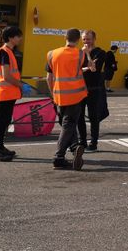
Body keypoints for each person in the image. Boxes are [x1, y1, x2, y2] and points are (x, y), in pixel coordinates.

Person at [46, 28, 89, 170]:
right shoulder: (80, 54)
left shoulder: (52, 54)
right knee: (68, 125)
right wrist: (87, 53)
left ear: (65, 37)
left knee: (66, 125)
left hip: (59, 95)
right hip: (75, 96)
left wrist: (53, 93)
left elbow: (49, 77)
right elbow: (92, 67)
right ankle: (58, 157)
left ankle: (75, 147)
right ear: (78, 40)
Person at [0, 27, 26, 162]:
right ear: (11, 38)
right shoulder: (4, 52)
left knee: (4, 121)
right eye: (18, 36)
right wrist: (20, 84)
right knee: (1, 122)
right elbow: (6, 76)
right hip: (6, 92)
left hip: (9, 93)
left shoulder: (8, 52)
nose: (20, 39)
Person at [77, 30, 107, 152]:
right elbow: (77, 68)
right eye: (84, 39)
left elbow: (94, 69)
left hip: (94, 88)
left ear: (94, 39)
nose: (86, 42)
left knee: (93, 116)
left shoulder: (100, 52)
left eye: (88, 39)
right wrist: (85, 67)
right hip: (80, 88)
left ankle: (93, 143)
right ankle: (82, 141)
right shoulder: (79, 53)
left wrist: (88, 55)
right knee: (79, 116)